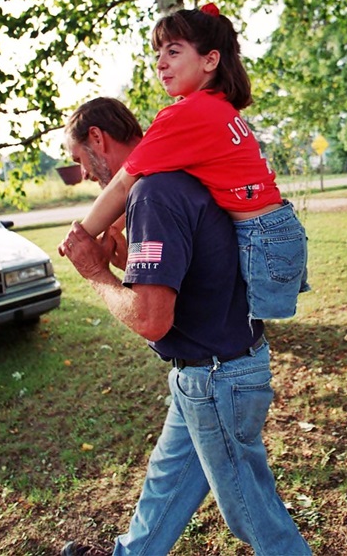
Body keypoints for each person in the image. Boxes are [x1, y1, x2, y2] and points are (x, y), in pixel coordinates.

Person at [58, 97, 311, 556]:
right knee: (164, 490)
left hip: (216, 379)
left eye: (79, 160)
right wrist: (122, 255)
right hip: (212, 371)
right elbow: (189, 267)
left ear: (98, 138)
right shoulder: (182, 173)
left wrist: (96, 275)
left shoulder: (153, 193)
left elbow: (153, 320)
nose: (85, 175)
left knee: (256, 519)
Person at [60, 3, 309, 322]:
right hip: (276, 228)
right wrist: (113, 228)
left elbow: (124, 183)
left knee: (228, 330)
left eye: (174, 52)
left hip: (260, 239)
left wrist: (81, 235)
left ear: (210, 59)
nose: (161, 64)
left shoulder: (185, 115)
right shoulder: (217, 107)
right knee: (235, 328)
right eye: (158, 55)